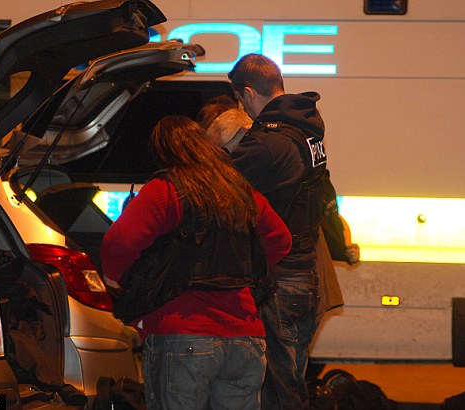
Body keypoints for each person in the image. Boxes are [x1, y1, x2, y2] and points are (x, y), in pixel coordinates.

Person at [101, 115, 292, 410]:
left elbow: (119, 242)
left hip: (181, 333)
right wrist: (246, 273)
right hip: (246, 335)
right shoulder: (240, 192)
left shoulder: (166, 189)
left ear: (163, 152)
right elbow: (281, 240)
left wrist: (117, 279)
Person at [227, 53, 328, 409]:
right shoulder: (306, 129)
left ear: (250, 92)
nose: (244, 109)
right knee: (291, 379)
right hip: (303, 272)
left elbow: (216, 185)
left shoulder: (267, 141)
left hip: (281, 277)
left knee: (278, 389)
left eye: (241, 100)